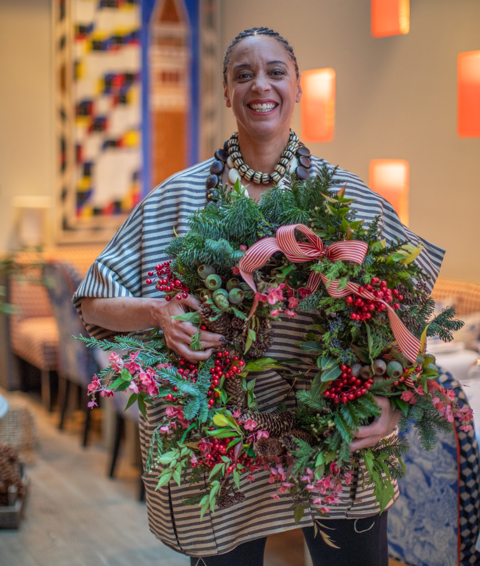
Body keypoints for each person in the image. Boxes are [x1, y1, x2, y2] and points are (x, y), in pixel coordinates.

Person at [74, 27, 445, 566]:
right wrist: (158, 312)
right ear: (226, 93)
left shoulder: (344, 197)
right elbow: (92, 300)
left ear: (297, 87)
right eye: (242, 74)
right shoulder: (178, 198)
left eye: (275, 71)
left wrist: (389, 401)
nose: (259, 85)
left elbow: (405, 306)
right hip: (218, 447)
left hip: (339, 436)